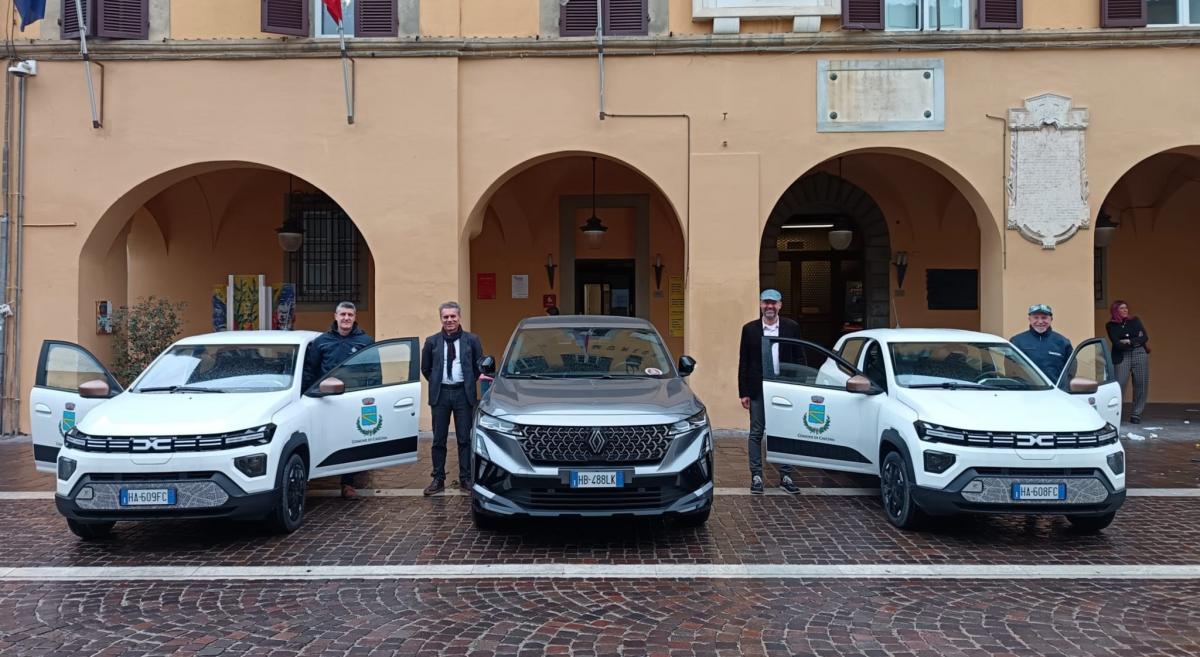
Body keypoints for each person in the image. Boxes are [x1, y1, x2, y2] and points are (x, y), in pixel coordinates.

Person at [303, 301, 373, 500]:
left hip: (354, 399)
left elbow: (373, 371)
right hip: (326, 400)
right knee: (325, 438)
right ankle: (315, 476)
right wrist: (307, 394)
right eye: (343, 314)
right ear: (335, 316)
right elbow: (310, 371)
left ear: (355, 317)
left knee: (352, 439)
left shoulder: (365, 341)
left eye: (350, 314)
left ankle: (348, 483)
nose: (346, 318)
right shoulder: (321, 342)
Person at [738, 289, 802, 495]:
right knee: (756, 432)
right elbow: (744, 362)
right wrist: (743, 392)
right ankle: (756, 476)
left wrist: (799, 386)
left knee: (785, 432)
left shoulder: (791, 327)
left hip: (785, 388)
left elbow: (799, 358)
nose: (769, 307)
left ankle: (786, 476)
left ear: (780, 305)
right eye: (766, 303)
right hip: (758, 389)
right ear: (760, 304)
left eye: (773, 303)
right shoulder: (749, 329)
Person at [420, 301, 484, 496]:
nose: (449, 320)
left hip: (463, 394)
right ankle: (438, 479)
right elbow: (426, 369)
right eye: (445, 317)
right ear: (441, 318)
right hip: (440, 395)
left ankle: (465, 478)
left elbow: (478, 367)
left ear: (459, 317)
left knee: (465, 438)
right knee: (438, 439)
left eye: (453, 316)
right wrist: (438, 382)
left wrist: (467, 383)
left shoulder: (472, 340)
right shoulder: (432, 342)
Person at [1106, 299, 1150, 424]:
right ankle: (1115, 412)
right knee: (1119, 384)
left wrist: (1129, 341)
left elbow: (1145, 337)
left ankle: (1136, 413)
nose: (1125, 310)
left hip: (1139, 353)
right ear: (1115, 311)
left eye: (1126, 308)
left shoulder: (1135, 320)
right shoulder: (1111, 325)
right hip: (1122, 355)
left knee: (1141, 383)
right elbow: (1117, 343)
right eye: (1122, 308)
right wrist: (1135, 338)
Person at [1009, 303, 1073, 384]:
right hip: (1025, 389)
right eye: (1036, 317)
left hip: (1054, 390)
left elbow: (1071, 370)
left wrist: (1064, 386)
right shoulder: (1016, 341)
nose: (1040, 321)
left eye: (1044, 318)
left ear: (1051, 319)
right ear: (1029, 319)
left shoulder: (1063, 342)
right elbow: (1009, 368)